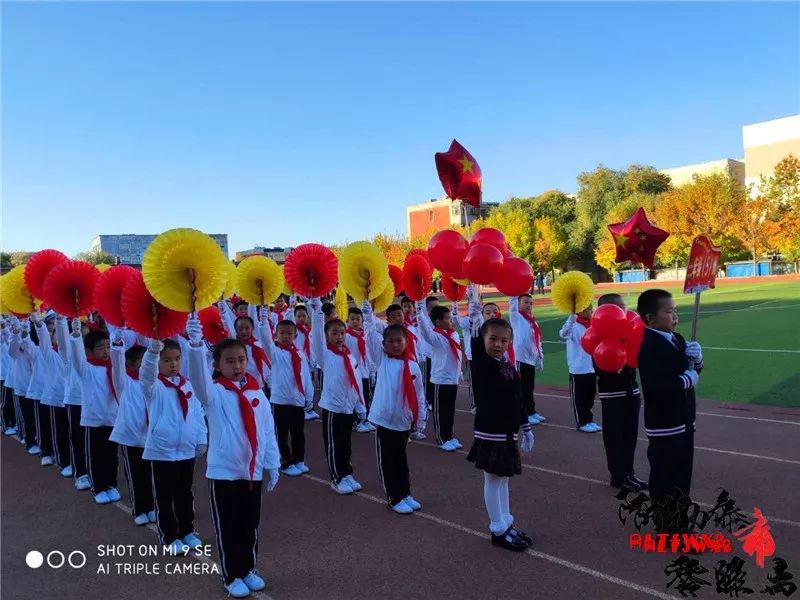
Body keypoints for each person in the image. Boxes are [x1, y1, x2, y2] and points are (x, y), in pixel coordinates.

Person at [186, 325, 280, 599]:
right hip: (224, 472)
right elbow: (198, 379)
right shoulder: (213, 393)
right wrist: (194, 347)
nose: (237, 366)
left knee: (250, 523)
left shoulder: (256, 392)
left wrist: (272, 463)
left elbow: (267, 429)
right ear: (217, 365)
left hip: (251, 471)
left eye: (241, 360)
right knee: (228, 525)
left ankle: (248, 568)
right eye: (229, 361)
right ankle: (231, 574)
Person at [637, 289, 703, 533]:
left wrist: (697, 361)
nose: (675, 316)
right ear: (650, 318)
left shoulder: (678, 339)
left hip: (684, 419)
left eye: (675, 310)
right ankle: (668, 528)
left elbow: (692, 372)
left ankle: (680, 523)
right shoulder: (648, 345)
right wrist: (687, 379)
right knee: (666, 478)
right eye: (668, 311)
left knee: (683, 475)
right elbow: (657, 386)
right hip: (665, 424)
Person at [467, 317, 534, 551]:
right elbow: (476, 348)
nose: (498, 344)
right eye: (492, 339)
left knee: (503, 479)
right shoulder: (482, 365)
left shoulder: (507, 365)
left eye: (504, 340)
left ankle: (507, 523)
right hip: (490, 432)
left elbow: (519, 397)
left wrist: (526, 427)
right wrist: (475, 321)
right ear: (483, 339)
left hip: (508, 432)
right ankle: (497, 529)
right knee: (493, 480)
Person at [140, 337, 207, 553]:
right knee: (165, 495)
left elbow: (197, 413)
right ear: (158, 362)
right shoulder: (153, 386)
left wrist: (201, 438)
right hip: (162, 450)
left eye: (177, 359)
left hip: (186, 449)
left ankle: (187, 530)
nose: (173, 364)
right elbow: (146, 373)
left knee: (185, 493)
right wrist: (152, 351)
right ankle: (169, 536)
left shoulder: (188, 384)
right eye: (167, 360)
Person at [362, 304, 427, 514]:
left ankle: (405, 492)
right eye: (391, 341)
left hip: (403, 420)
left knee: (401, 459)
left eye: (399, 341)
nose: (396, 344)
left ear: (406, 342)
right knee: (388, 460)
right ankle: (394, 497)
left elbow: (419, 395)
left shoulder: (413, 365)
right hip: (384, 420)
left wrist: (420, 419)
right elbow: (370, 338)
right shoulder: (382, 360)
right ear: (384, 344)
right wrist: (367, 314)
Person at [310, 297, 365, 495]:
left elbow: (356, 381)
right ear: (327, 336)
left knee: (346, 443)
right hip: (333, 407)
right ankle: (336, 478)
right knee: (334, 443)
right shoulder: (325, 354)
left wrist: (360, 406)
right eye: (334, 333)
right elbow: (316, 335)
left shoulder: (349, 355)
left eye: (342, 332)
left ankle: (347, 472)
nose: (340, 336)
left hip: (348, 407)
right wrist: (316, 311)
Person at [594, 294, 647, 493]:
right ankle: (618, 475)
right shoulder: (598, 335)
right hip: (612, 394)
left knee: (630, 435)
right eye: (620, 308)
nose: (625, 312)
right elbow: (602, 365)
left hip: (631, 389)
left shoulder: (627, 330)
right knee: (615, 436)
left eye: (624, 307)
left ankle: (629, 472)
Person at [68, 319, 121, 504]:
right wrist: (75, 336)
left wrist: (118, 334)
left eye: (108, 346)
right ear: (89, 351)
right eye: (101, 347)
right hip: (93, 419)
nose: (106, 351)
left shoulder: (114, 367)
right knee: (96, 455)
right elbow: (76, 356)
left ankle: (111, 484)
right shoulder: (86, 368)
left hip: (112, 417)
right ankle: (98, 487)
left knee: (111, 454)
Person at [258, 312, 314, 478]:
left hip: (297, 400)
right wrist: (262, 322)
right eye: (281, 333)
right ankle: (285, 462)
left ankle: (298, 460)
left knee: (298, 433)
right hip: (280, 401)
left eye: (289, 333)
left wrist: (309, 397)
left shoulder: (300, 355)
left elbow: (306, 377)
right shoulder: (274, 353)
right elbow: (266, 342)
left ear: (295, 335)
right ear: (276, 334)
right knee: (281, 434)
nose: (285, 336)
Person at [109, 335, 155, 526]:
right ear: (130, 363)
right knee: (136, 474)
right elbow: (117, 365)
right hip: (131, 437)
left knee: (151, 474)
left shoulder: (153, 383)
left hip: (151, 436)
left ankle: (152, 506)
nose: (145, 365)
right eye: (140, 361)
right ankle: (140, 509)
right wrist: (118, 345)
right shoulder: (124, 381)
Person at [415, 300, 463, 452]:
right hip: (440, 381)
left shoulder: (453, 333)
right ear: (438, 322)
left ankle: (449, 436)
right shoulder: (436, 336)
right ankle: (441, 438)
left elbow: (457, 355)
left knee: (449, 411)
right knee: (440, 411)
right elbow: (425, 331)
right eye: (447, 318)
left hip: (452, 380)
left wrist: (459, 371)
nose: (451, 321)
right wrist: (419, 312)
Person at [33, 312, 73, 477]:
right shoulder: (48, 353)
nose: (60, 337)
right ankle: (63, 461)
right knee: (59, 431)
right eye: (54, 333)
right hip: (56, 398)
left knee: (73, 432)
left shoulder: (73, 355)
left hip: (71, 398)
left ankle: (75, 461)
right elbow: (43, 337)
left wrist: (62, 318)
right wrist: (38, 323)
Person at [559, 304, 601, 433]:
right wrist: (571, 317)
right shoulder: (574, 326)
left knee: (590, 396)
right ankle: (581, 423)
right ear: (580, 311)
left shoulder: (592, 325)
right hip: (578, 369)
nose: (591, 311)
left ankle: (589, 420)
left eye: (591, 308)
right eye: (589, 309)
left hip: (591, 368)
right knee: (579, 398)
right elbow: (563, 333)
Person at [509, 294, 546, 425]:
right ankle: (523, 414)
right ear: (518, 304)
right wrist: (512, 295)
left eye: (531, 303)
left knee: (529, 388)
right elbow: (512, 307)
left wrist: (540, 356)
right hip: (519, 360)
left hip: (530, 360)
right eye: (525, 302)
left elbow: (537, 340)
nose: (529, 305)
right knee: (521, 389)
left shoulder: (532, 321)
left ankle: (531, 412)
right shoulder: (516, 318)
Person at [346, 307, 375, 433]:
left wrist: (372, 371)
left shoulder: (365, 335)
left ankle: (365, 419)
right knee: (354, 397)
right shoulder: (346, 336)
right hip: (352, 372)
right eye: (352, 319)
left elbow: (369, 354)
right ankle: (356, 421)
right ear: (348, 320)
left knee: (366, 396)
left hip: (365, 372)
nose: (355, 321)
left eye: (358, 319)